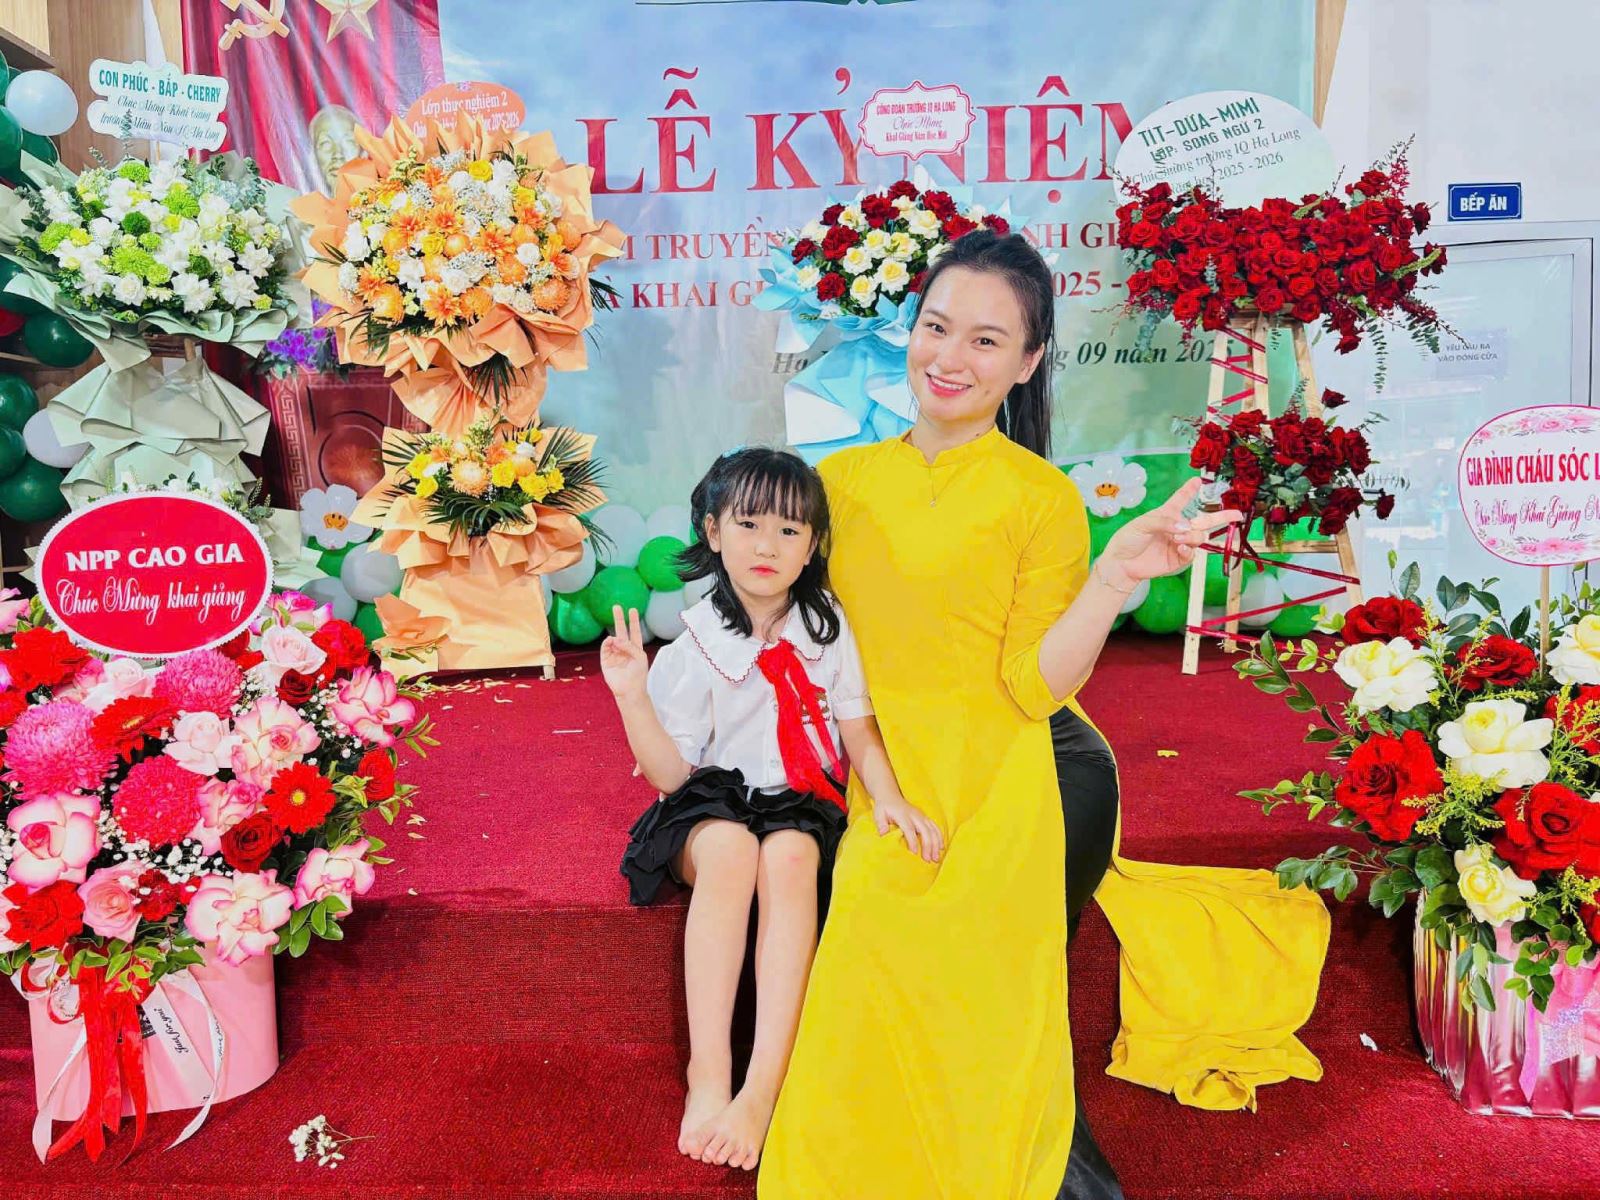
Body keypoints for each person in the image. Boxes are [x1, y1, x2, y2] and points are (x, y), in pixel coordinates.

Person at [759, 231, 1329, 1199]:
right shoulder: (839, 488)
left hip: (1009, 781)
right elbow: (793, 636)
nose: (951, 358)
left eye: (986, 341)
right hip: (881, 771)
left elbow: (1033, 688)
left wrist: (1112, 580)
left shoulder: (1040, 498)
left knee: (976, 997)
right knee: (872, 956)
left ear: (1027, 364)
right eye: (936, 327)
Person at [604, 447, 942, 1172]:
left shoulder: (828, 628)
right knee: (731, 848)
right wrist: (633, 697)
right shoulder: (694, 643)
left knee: (789, 856)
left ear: (813, 545)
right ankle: (709, 1073)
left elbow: (856, 729)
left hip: (797, 805)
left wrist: (890, 798)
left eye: (790, 531)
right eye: (749, 524)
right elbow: (670, 776)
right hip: (709, 806)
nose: (767, 546)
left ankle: (762, 1088)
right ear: (712, 529)